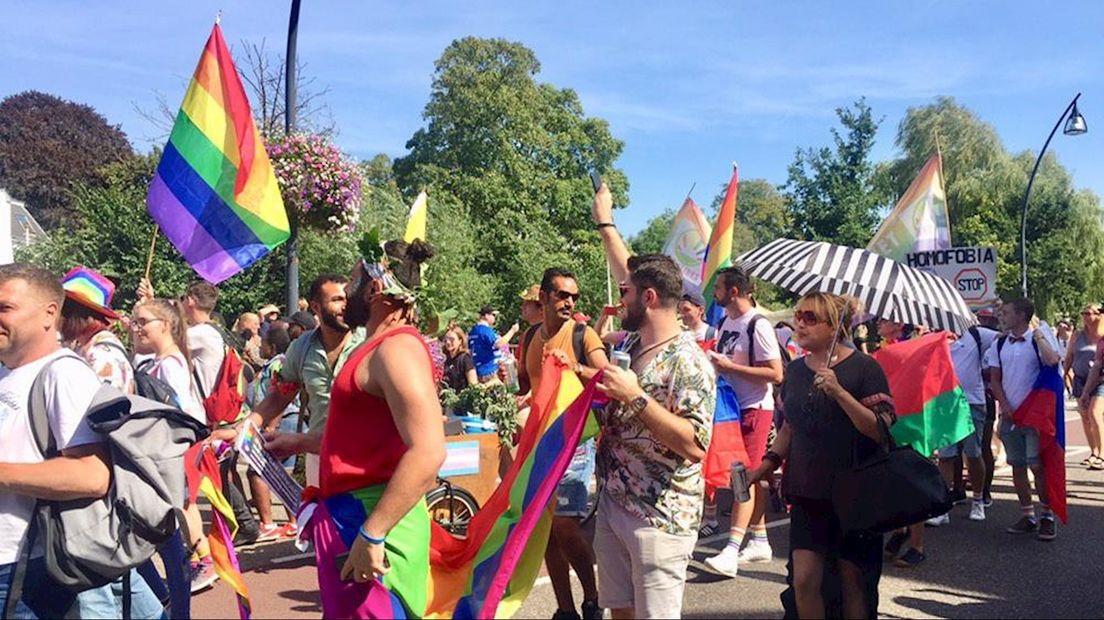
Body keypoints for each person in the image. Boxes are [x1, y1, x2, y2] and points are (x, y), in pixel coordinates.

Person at [592, 183, 716, 619]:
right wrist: (605, 221)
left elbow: (696, 445)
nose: (619, 297)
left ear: (648, 298)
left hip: (659, 519)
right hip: (614, 503)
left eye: (626, 292)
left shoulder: (689, 362)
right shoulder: (632, 340)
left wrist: (636, 397)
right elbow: (625, 265)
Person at [317, 238, 445, 617]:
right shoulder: (377, 346)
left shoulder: (396, 349)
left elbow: (428, 450)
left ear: (375, 288)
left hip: (371, 521)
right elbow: (367, 438)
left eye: (354, 281)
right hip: (353, 516)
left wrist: (373, 532)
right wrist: (299, 442)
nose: (346, 292)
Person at [750, 292, 895, 619]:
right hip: (808, 493)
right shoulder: (798, 371)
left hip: (856, 493)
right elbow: (789, 428)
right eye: (798, 315)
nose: (799, 323)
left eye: (810, 318)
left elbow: (880, 429)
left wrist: (840, 393)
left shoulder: (865, 368)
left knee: (853, 583)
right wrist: (767, 464)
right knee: (803, 580)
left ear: (835, 327)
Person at [0, 264, 112, 619]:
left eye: (5, 308)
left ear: (50, 313)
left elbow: (92, 475)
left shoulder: (63, 374)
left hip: (22, 570)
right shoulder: (7, 372)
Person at [58, 267, 167, 619]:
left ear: (77, 315)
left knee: (96, 583)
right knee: (117, 578)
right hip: (104, 485)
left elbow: (104, 426)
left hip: (103, 485)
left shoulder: (102, 357)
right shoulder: (87, 350)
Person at [517, 267, 608, 620]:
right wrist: (519, 401)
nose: (569, 302)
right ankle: (566, 609)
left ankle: (592, 597)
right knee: (545, 534)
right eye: (561, 295)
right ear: (543, 297)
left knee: (565, 525)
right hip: (540, 443)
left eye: (574, 296)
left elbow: (607, 379)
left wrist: (578, 369)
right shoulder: (529, 337)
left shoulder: (583, 336)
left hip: (575, 441)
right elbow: (527, 388)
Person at [702, 266, 784, 578]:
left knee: (742, 477)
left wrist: (730, 367)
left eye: (719, 288)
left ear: (734, 291)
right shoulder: (724, 322)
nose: (715, 293)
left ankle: (732, 549)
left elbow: (775, 374)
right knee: (752, 477)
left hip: (753, 408)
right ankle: (760, 540)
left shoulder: (758, 324)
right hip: (730, 408)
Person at [249, 274, 366, 487]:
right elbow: (279, 397)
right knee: (321, 519)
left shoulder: (369, 342)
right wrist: (246, 426)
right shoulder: (301, 347)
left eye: (347, 299)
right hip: (319, 457)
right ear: (316, 306)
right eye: (337, 300)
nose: (344, 307)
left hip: (364, 457)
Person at [987, 298, 1062, 541]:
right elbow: (995, 379)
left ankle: (1047, 516)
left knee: (1037, 465)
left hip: (1034, 415)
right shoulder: (999, 344)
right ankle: (1028, 515)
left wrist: (1038, 334)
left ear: (1021, 315)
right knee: (1017, 465)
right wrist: (1004, 405)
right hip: (1010, 414)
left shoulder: (1038, 338)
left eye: (1006, 312)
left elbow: (1052, 360)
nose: (1002, 316)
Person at [246, 326, 300, 541]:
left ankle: (268, 523)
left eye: (264, 344)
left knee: (258, 472)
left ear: (273, 346)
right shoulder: (277, 362)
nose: (261, 347)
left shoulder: (278, 364)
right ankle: (295, 521)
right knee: (284, 473)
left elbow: (279, 396)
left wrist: (271, 426)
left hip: (280, 423)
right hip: (283, 422)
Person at [1066, 304, 1104, 470]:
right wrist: (1064, 374)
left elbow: (1097, 365)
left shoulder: (1102, 337)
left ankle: (1102, 454)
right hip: (1081, 379)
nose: (1086, 317)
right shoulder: (1078, 335)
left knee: (1094, 413)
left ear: (1099, 315)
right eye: (1084, 313)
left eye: (1090, 313)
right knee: (1085, 416)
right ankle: (1093, 451)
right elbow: (1069, 356)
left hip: (1100, 380)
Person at [469, 305, 519, 383]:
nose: (494, 318)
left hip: (477, 370)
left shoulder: (473, 331)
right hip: (489, 370)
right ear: (486, 316)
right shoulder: (485, 330)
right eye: (493, 315)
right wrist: (512, 331)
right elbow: (499, 344)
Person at [440, 324, 478, 392]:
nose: (448, 342)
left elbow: (473, 385)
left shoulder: (465, 359)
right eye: (446, 340)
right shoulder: (448, 360)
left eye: (452, 339)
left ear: (460, 341)